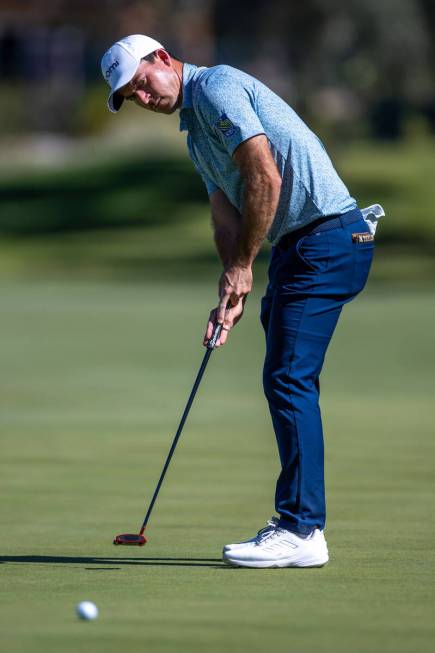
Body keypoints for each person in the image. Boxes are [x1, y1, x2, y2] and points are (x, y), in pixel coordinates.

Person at [101, 34, 377, 568]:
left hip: (328, 239)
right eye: (129, 95)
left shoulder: (218, 87)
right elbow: (225, 212)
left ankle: (301, 530)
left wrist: (247, 266)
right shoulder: (195, 131)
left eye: (140, 81)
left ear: (162, 58)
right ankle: (302, 524)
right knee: (287, 376)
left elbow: (263, 174)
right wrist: (230, 285)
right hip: (303, 246)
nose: (141, 96)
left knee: (288, 377)